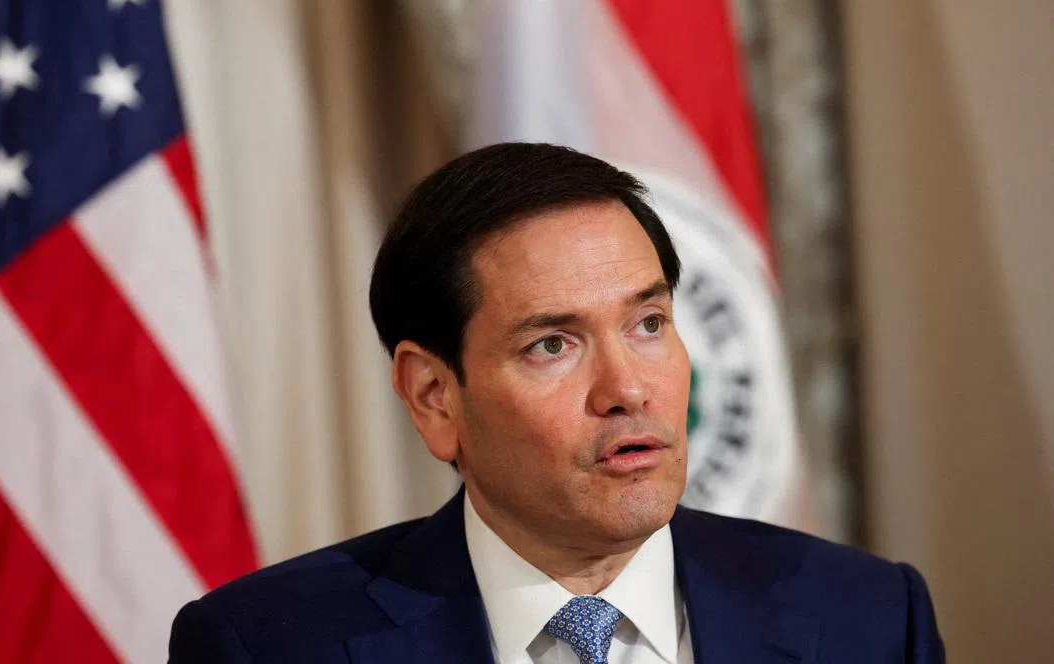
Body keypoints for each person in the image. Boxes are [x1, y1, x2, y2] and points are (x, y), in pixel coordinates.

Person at [168, 142, 945, 663]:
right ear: (435, 397)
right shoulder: (268, 645)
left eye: (648, 324)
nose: (628, 389)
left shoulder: (869, 618)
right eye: (553, 345)